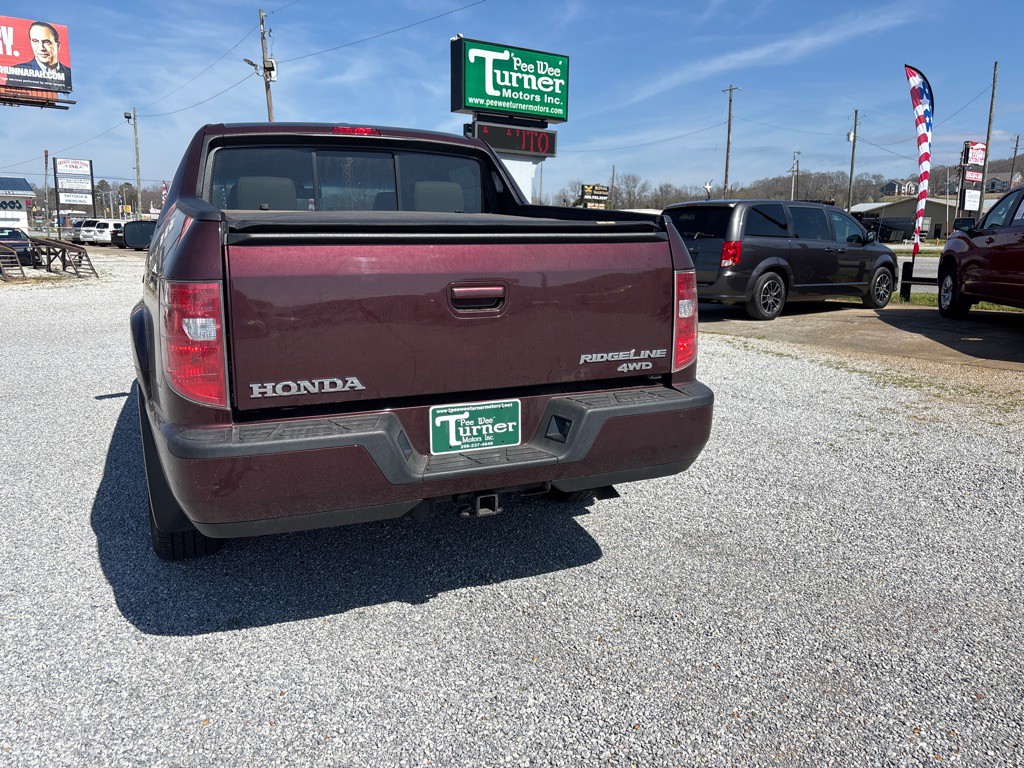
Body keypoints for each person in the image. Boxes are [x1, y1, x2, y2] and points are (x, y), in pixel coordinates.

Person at [16, 21, 72, 86]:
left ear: (58, 46)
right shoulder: (18, 72)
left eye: (46, 42)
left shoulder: (67, 74)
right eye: (35, 41)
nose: (41, 48)